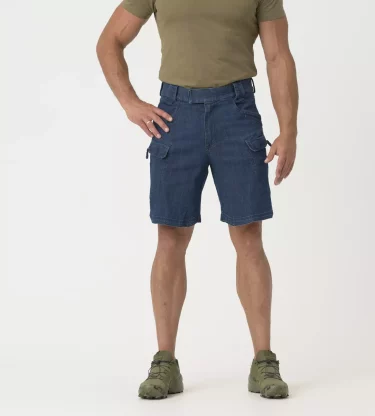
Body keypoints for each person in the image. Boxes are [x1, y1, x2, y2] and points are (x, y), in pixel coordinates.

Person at [97, 0, 298, 400]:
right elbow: (109, 41)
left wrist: (289, 129)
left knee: (248, 235)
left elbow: (277, 55)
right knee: (170, 236)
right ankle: (164, 363)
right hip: (175, 114)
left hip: (236, 111)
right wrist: (129, 102)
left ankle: (264, 362)